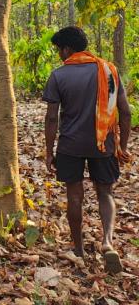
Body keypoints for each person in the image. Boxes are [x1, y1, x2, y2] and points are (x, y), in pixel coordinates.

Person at [43, 26, 131, 273]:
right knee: (106, 193)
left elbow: (52, 118)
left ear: (67, 49)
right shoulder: (109, 70)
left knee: (74, 196)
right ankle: (107, 242)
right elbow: (125, 112)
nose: (59, 54)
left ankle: (78, 249)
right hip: (104, 143)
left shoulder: (59, 76)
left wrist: (49, 151)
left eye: (59, 50)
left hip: (70, 145)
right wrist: (122, 146)